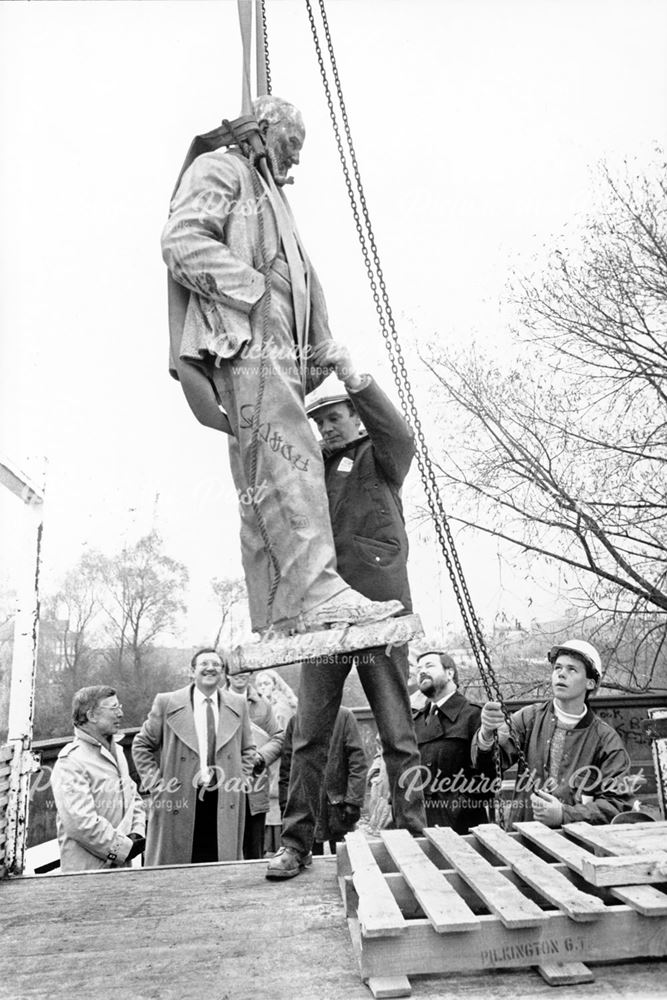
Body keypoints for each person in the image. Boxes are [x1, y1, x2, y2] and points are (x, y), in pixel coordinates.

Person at [161, 94, 402, 634]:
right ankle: (317, 596)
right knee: (290, 462)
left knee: (265, 478)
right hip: (249, 346)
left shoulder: (269, 194)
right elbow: (181, 240)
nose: (292, 170)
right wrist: (253, 294)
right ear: (264, 130)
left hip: (277, 354)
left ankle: (281, 613)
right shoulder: (221, 167)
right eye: (289, 151)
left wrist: (316, 343)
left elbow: (301, 280)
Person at [267, 344, 427, 879]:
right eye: (320, 421)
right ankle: (296, 843)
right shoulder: (312, 471)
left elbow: (400, 435)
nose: (327, 428)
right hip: (327, 619)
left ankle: (414, 836)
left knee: (396, 730)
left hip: (380, 613)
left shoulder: (382, 459)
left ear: (356, 418)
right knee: (310, 733)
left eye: (335, 418)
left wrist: (355, 378)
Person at [472, 639, 633, 826]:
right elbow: (488, 766)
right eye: (557, 668)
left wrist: (566, 815)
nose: (561, 674)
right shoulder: (528, 718)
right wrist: (486, 735)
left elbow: (617, 804)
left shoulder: (605, 739)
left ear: (590, 682)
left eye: (572, 669)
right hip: (525, 838)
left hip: (577, 846)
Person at [132, 648, 255, 865]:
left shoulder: (238, 704)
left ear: (224, 672)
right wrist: (156, 784)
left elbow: (248, 749)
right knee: (178, 868)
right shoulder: (167, 702)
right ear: (192, 671)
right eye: (204, 664)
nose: (210, 668)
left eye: (216, 665)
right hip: (179, 798)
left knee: (220, 868)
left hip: (224, 798)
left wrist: (242, 779)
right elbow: (141, 745)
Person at [51, 686, 146, 873]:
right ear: (92, 715)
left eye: (120, 706)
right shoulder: (71, 762)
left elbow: (133, 797)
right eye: (114, 708)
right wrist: (123, 848)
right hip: (86, 874)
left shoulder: (116, 751)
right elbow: (80, 824)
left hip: (120, 869)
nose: (121, 713)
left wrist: (137, 833)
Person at [412, 650, 490, 833]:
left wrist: (460, 805)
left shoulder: (473, 715)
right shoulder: (414, 721)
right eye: (418, 669)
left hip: (463, 826)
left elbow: (488, 773)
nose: (422, 671)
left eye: (429, 666)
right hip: (420, 822)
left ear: (450, 673)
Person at [279, 707, 367, 856]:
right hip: (306, 805)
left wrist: (353, 801)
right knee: (308, 858)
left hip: (339, 805)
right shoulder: (296, 721)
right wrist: (285, 803)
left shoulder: (344, 717)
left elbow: (357, 761)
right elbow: (287, 767)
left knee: (346, 856)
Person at [225, 667, 285, 859]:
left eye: (244, 670)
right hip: (223, 786)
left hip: (254, 786)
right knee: (224, 850)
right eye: (234, 670)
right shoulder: (216, 702)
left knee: (253, 852)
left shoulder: (262, 704)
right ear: (226, 674)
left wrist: (260, 757)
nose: (240, 674)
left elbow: (279, 738)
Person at [254, 669, 298, 854]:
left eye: (267, 683)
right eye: (260, 684)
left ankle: (277, 846)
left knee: (274, 798)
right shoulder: (265, 704)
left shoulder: (280, 707)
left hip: (278, 759)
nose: (263, 687)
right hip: (267, 757)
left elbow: (283, 738)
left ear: (275, 685)